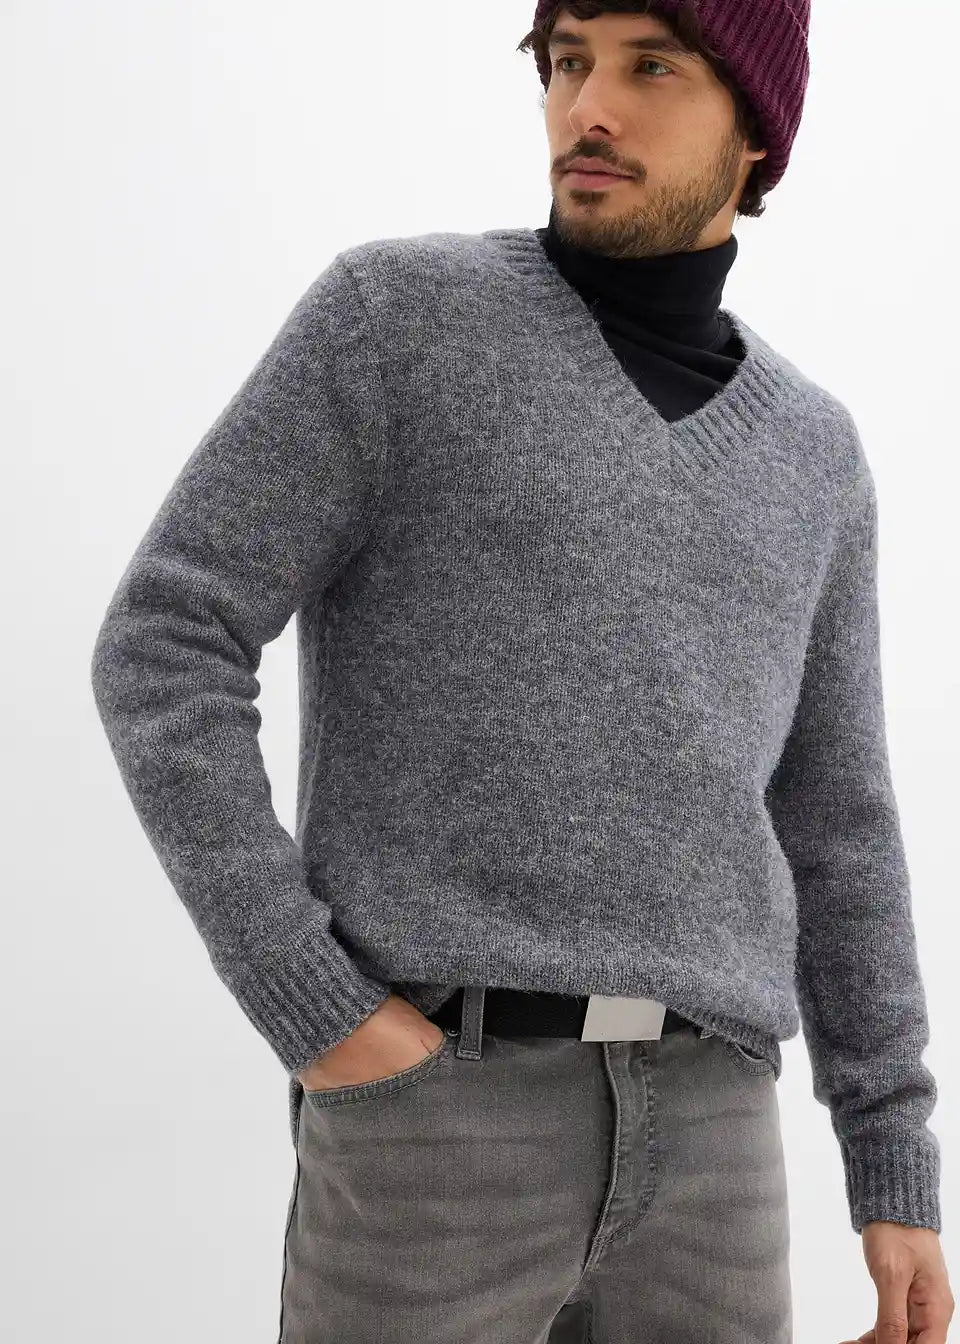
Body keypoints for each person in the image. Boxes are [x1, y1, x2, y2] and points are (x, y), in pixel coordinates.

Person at [90, 2, 952, 1341]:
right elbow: (165, 639)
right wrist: (318, 1008)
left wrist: (893, 1164)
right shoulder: (399, 322)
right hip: (438, 1115)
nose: (587, 107)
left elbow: (838, 823)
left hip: (718, 1140)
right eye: (567, 62)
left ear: (757, 131)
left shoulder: (814, 456)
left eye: (650, 66)